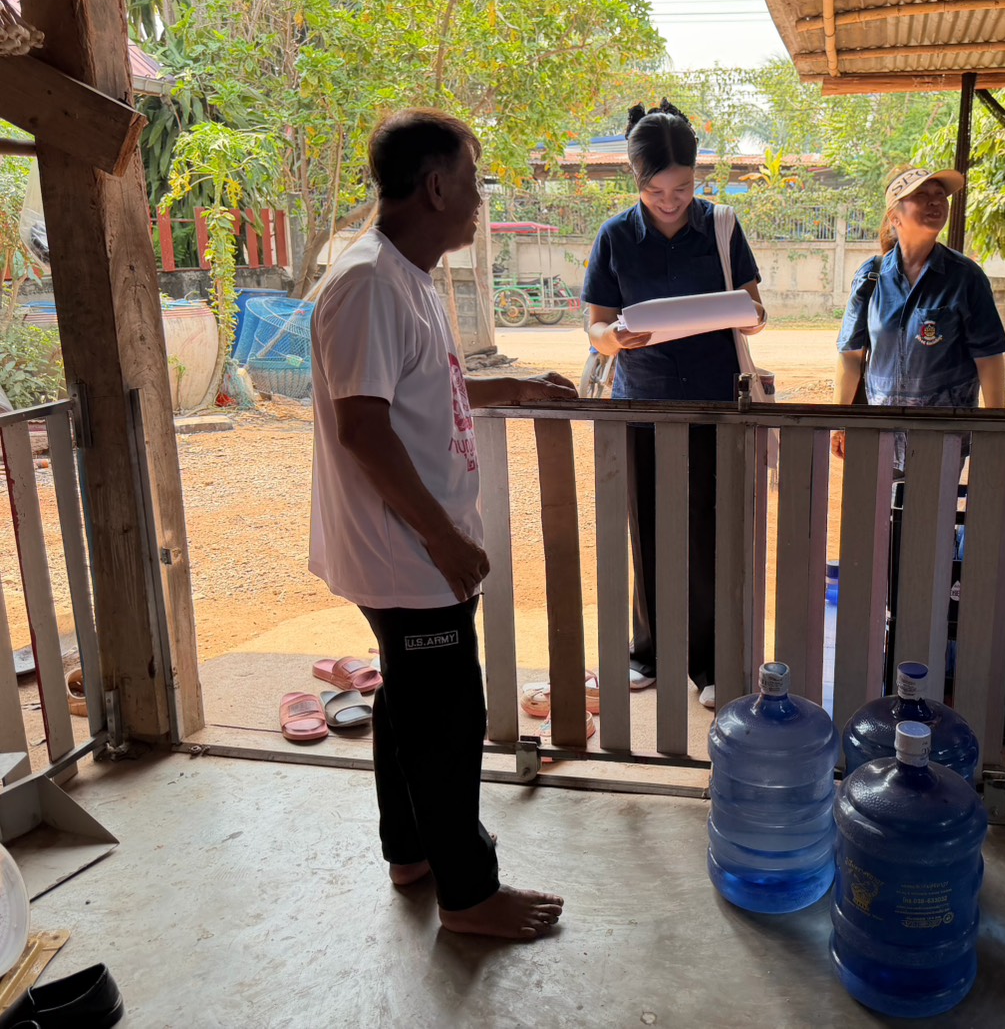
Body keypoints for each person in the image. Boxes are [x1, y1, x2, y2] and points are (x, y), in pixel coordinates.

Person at [309, 108, 574, 940]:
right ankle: (467, 895)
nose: (478, 200)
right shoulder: (367, 283)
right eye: (472, 181)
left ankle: (412, 851)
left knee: (411, 705)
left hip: (412, 549)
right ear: (433, 186)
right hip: (407, 553)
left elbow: (419, 392)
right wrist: (443, 538)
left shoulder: (407, 274)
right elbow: (362, 427)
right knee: (449, 721)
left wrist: (508, 387)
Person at [582, 99, 768, 710]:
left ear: (697, 177)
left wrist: (751, 315)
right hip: (642, 401)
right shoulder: (615, 236)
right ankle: (650, 652)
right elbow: (597, 328)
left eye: (683, 187)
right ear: (637, 181)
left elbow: (754, 307)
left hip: (715, 400)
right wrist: (614, 338)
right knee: (650, 530)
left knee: (712, 532)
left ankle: (711, 664)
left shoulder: (721, 226)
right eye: (658, 189)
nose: (671, 200)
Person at [833, 166, 1005, 459]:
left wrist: (994, 430)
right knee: (876, 505)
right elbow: (850, 356)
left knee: (934, 505)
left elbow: (989, 359)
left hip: (944, 438)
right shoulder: (871, 277)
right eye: (921, 195)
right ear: (894, 216)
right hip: (880, 436)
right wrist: (839, 422)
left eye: (940, 195)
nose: (935, 201)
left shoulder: (965, 277)